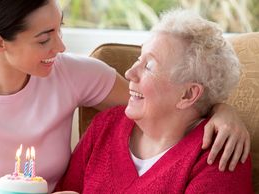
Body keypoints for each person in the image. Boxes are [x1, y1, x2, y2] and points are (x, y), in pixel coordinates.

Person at [0, 0, 250, 193]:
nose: (60, 47)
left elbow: (172, 105)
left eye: (60, 28)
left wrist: (222, 111)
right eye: (44, 39)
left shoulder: (74, 73)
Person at [55, 9, 253, 193]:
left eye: (149, 66)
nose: (129, 73)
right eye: (138, 59)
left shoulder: (221, 155)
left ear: (188, 95)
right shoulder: (104, 127)